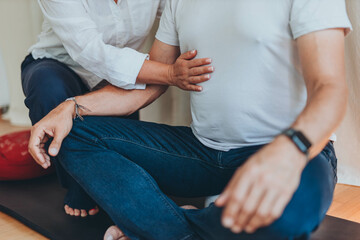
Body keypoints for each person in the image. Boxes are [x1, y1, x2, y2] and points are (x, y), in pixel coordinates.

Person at [29, 0, 352, 239]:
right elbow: (150, 83)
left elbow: (330, 88)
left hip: (290, 155)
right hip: (204, 153)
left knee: (286, 222)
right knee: (72, 133)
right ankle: (193, 225)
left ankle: (163, 229)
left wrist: (289, 150)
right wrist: (70, 107)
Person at [21, 0, 213, 218]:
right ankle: (77, 184)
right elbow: (91, 51)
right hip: (60, 65)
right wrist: (170, 74)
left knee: (126, 158)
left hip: (120, 77)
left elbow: (180, 10)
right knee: (48, 89)